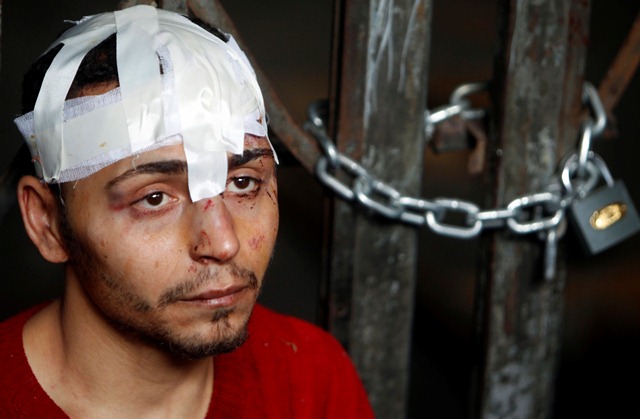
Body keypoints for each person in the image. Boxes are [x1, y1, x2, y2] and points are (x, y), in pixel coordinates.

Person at [0, 5, 374, 418]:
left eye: (242, 182)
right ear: (47, 223)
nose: (224, 243)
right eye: (154, 198)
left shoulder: (309, 376)